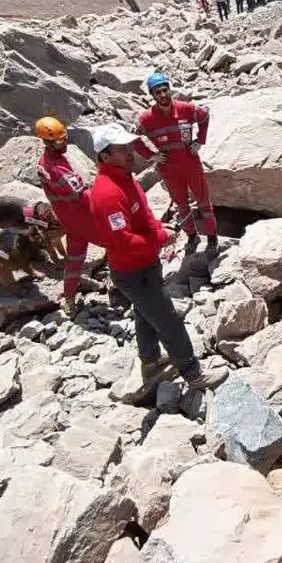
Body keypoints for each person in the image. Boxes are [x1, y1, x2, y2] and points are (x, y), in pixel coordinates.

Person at [89, 123, 227, 394]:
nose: (130, 152)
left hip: (146, 264)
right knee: (168, 319)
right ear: (105, 156)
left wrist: (159, 231)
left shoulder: (125, 178)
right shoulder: (106, 194)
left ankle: (150, 364)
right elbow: (122, 241)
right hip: (133, 272)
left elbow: (145, 215)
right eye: (122, 149)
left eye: (130, 146)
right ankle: (193, 373)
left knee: (144, 314)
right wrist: (160, 239)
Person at [132, 72, 219, 256]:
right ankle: (192, 236)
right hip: (169, 167)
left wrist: (200, 140)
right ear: (152, 95)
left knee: (203, 201)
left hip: (190, 163)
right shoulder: (147, 118)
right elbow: (133, 137)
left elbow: (204, 116)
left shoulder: (186, 108)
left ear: (170, 90)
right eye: (157, 92)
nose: (163, 95)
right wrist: (151, 155)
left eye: (165, 90)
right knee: (181, 205)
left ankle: (212, 238)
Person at [34, 116, 94, 316]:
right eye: (60, 140)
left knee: (74, 256)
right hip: (77, 215)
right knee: (112, 238)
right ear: (47, 142)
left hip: (65, 215)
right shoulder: (56, 167)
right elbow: (79, 195)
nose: (65, 142)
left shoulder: (46, 160)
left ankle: (69, 295)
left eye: (65, 137)